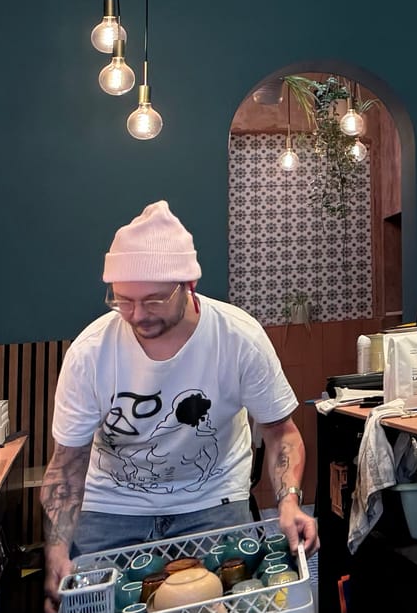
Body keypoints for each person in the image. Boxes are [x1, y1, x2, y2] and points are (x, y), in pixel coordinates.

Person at [42, 202, 318, 611]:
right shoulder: (90, 353)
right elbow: (68, 462)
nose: (137, 315)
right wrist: (56, 548)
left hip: (211, 498)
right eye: (123, 300)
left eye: (153, 300)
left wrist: (289, 501)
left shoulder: (238, 338)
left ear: (189, 284)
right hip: (112, 504)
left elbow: (282, 433)